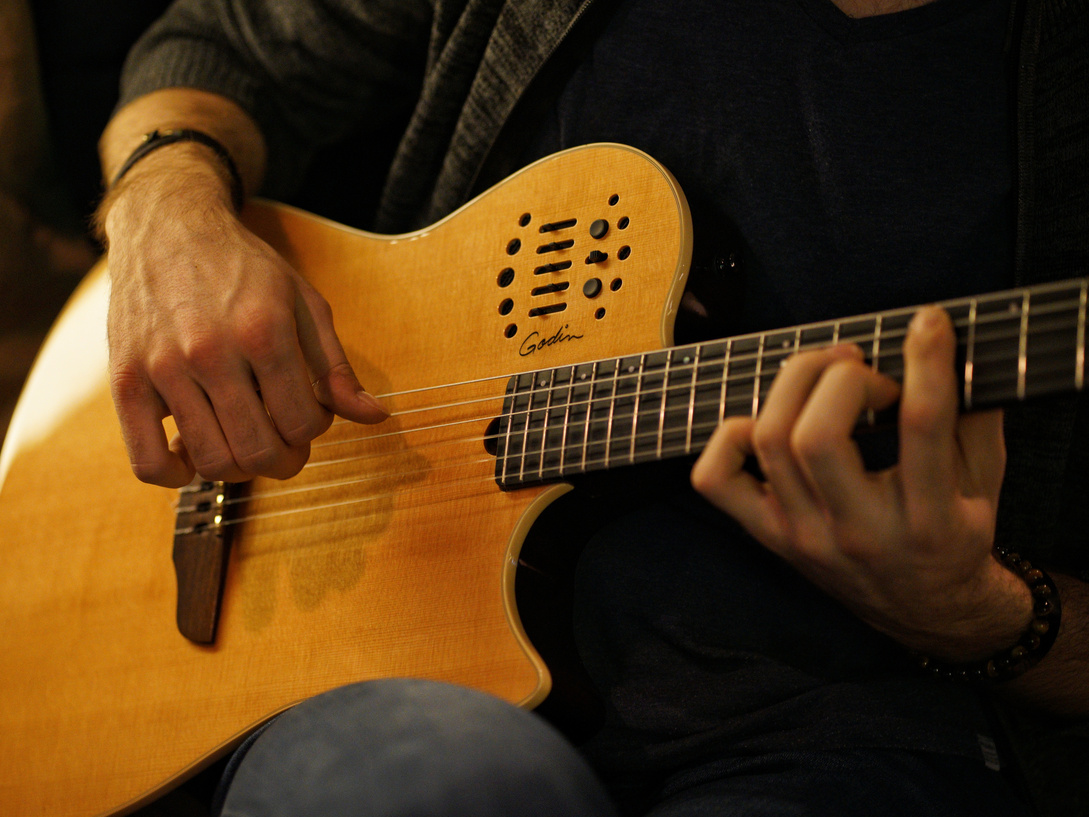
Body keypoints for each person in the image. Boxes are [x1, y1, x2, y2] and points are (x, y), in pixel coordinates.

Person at [94, 1, 1089, 815]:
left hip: (839, 742)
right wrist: (165, 211)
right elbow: (218, 47)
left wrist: (977, 614)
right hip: (389, 674)